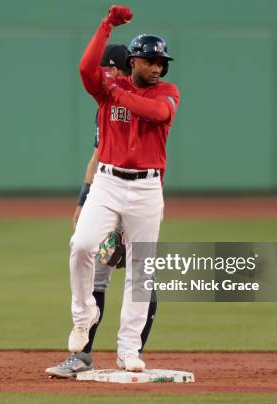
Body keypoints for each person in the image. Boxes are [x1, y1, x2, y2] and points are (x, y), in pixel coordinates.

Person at [63, 5, 180, 373]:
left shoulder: (167, 91)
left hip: (147, 188)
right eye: (149, 61)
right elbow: (85, 69)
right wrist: (107, 25)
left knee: (140, 272)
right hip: (108, 182)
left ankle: (129, 349)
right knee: (81, 245)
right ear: (133, 61)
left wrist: (115, 92)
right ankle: (84, 316)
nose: (157, 67)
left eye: (161, 62)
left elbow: (158, 114)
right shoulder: (110, 87)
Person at [46, 44, 158, 378]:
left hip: (141, 192)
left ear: (127, 68)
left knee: (141, 272)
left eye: (112, 68)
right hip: (108, 189)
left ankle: (130, 350)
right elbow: (99, 155)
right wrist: (85, 198)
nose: (107, 74)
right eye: (105, 69)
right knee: (94, 268)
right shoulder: (105, 103)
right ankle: (83, 355)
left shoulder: (141, 98)